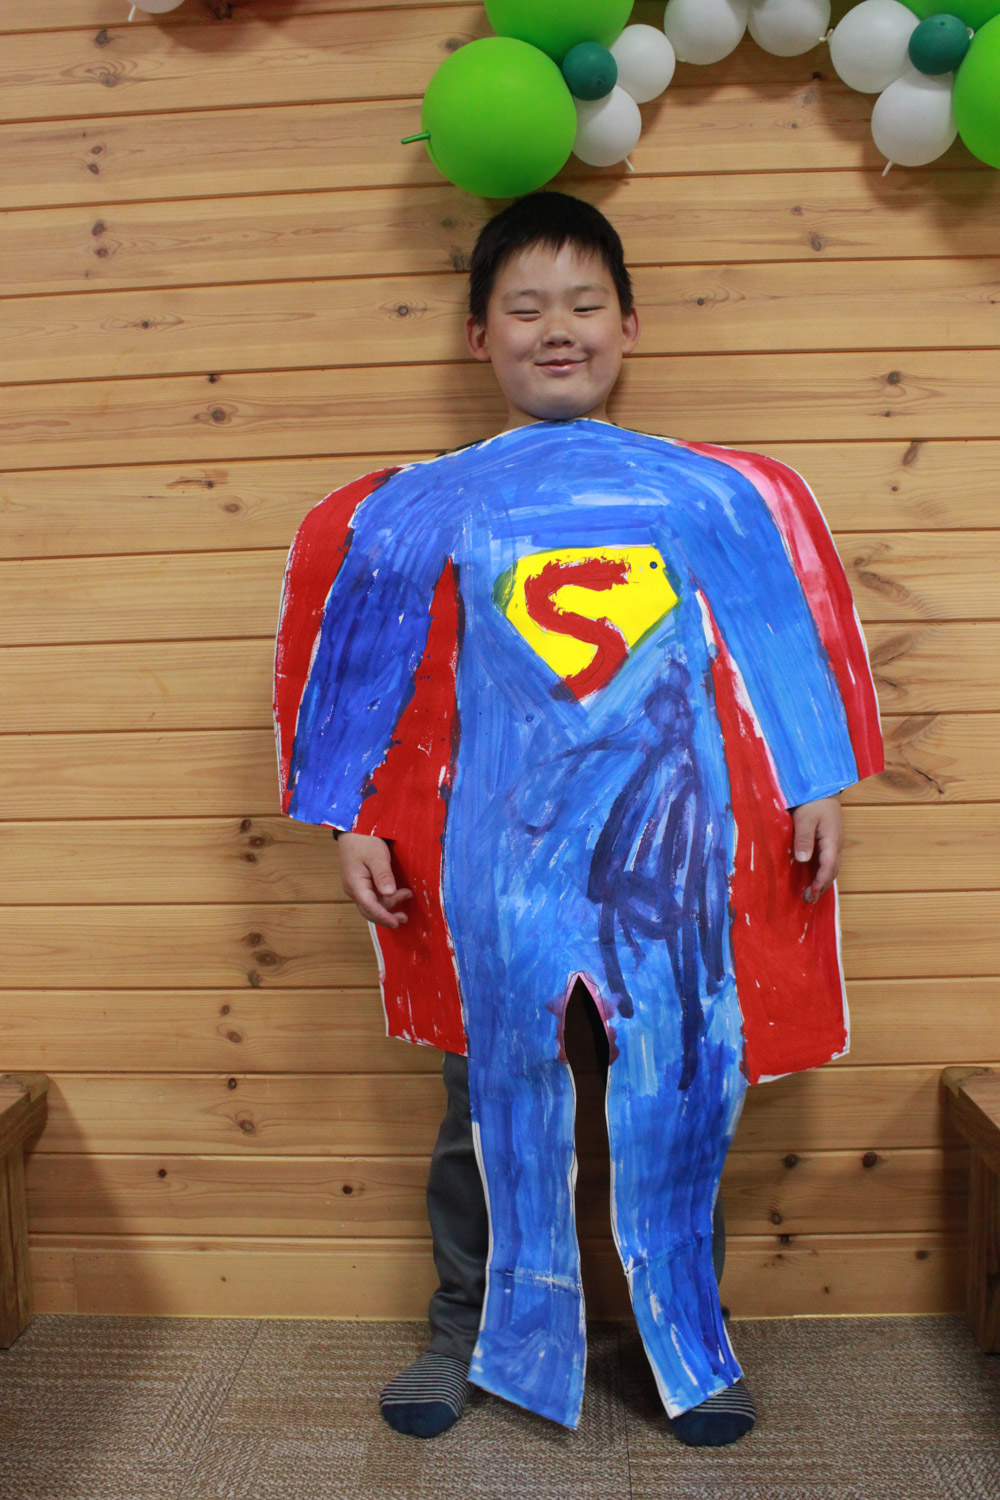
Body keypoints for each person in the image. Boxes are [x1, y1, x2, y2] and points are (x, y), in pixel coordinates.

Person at [273, 192, 883, 1449]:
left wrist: (814, 779)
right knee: (488, 1101)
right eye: (525, 308)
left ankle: (686, 1339)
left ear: (628, 325)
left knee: (683, 1091)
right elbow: (365, 658)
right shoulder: (423, 506)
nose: (558, 329)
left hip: (676, 859)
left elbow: (779, 630)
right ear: (479, 336)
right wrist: (350, 815)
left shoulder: (709, 496)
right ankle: (468, 1328)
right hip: (495, 868)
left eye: (584, 304)